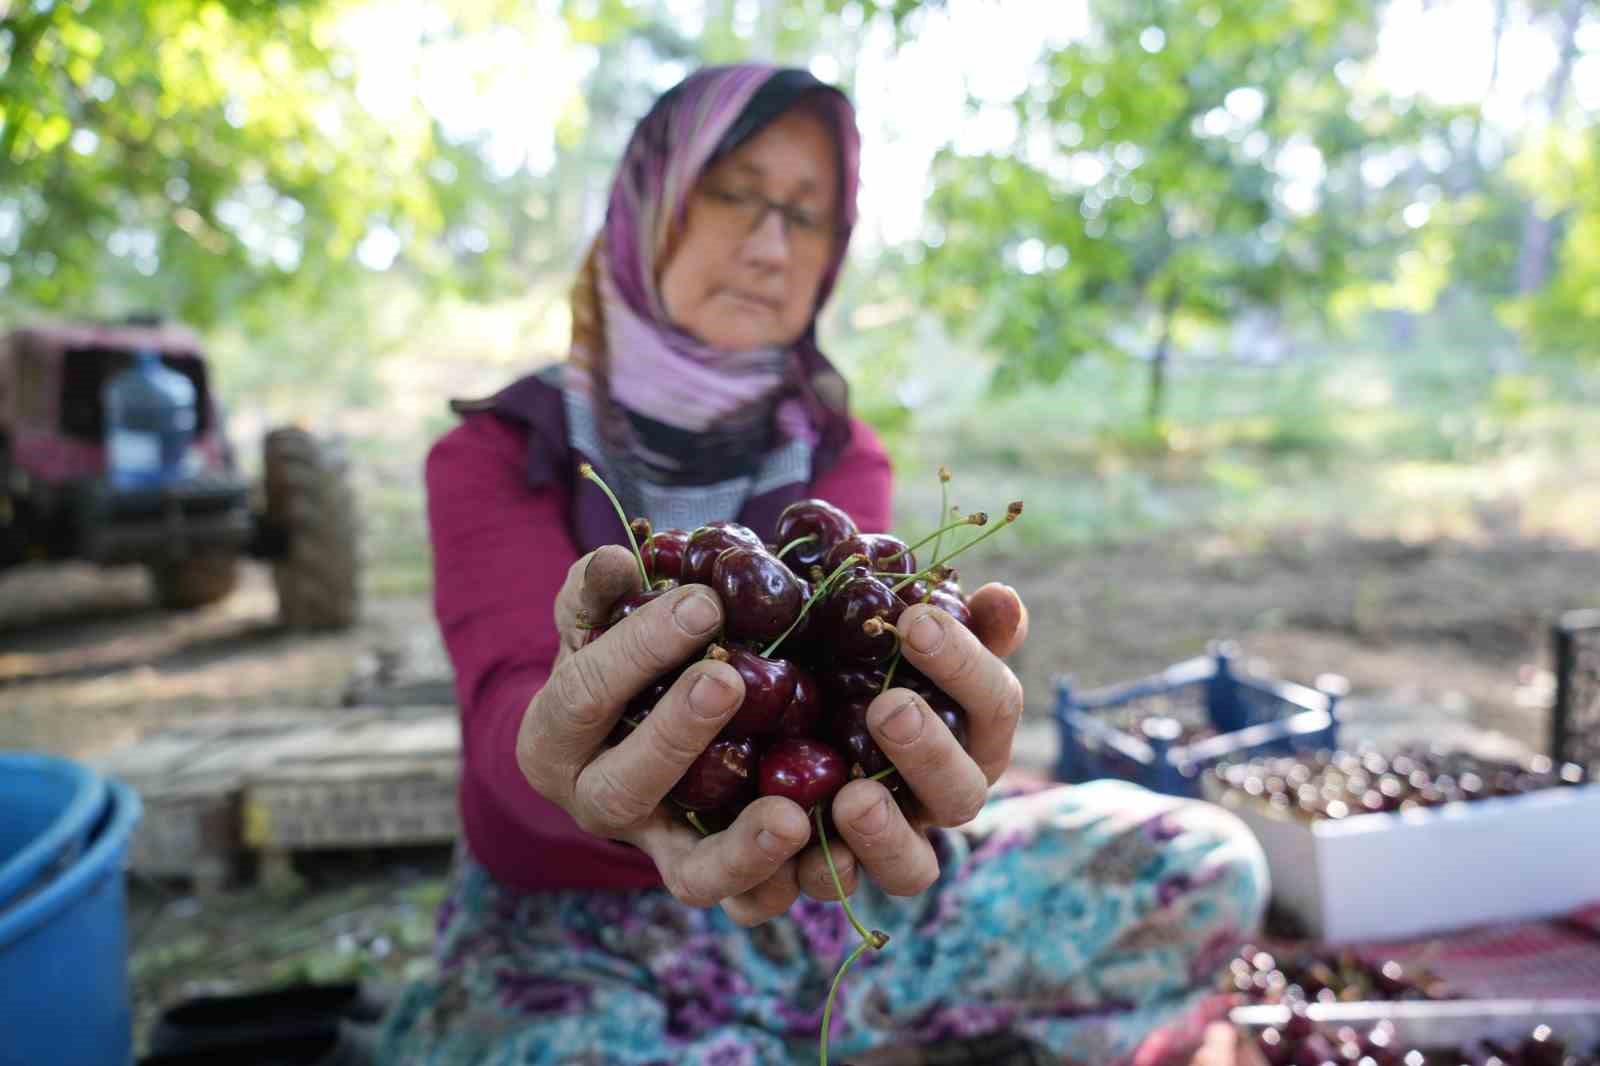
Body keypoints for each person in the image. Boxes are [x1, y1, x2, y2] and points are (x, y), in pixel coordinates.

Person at [378, 63, 1269, 1066]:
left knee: (1201, 863)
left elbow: (846, 685)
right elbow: (510, 712)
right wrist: (567, 761)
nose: (770, 246)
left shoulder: (838, 455)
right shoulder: (502, 453)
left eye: (807, 216)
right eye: (733, 194)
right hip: (582, 928)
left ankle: (817, 1029)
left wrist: (918, 760)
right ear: (647, 206)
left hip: (825, 907)